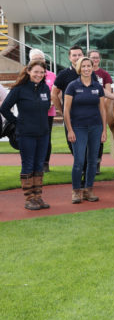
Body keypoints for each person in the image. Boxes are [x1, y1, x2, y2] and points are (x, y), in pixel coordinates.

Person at [1, 60, 51, 210]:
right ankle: (29, 199)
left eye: (42, 72)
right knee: (28, 164)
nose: (39, 75)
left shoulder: (45, 89)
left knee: (39, 165)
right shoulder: (19, 89)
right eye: (36, 72)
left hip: (43, 133)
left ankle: (38, 197)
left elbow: (46, 108)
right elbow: (4, 108)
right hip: (26, 134)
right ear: (29, 71)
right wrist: (17, 122)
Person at [63, 56, 107, 204]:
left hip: (96, 127)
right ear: (79, 68)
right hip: (78, 128)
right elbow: (66, 110)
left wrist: (104, 130)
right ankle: (76, 191)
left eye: (89, 66)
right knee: (79, 161)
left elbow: (102, 109)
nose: (87, 69)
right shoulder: (72, 86)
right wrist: (70, 130)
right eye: (84, 66)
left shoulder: (97, 87)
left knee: (93, 161)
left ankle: (89, 190)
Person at [28, 49, 56, 173]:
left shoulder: (52, 75)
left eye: (41, 58)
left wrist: (50, 104)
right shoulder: (26, 75)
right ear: (30, 61)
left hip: (48, 113)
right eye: (36, 59)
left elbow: (55, 94)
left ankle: (45, 163)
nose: (39, 61)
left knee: (46, 138)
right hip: (31, 113)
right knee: (31, 137)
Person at [88, 50, 114, 175]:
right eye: (92, 57)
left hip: (100, 109)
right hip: (86, 108)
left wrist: (101, 105)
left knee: (99, 137)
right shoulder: (83, 72)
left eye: (97, 58)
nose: (95, 60)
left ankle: (97, 163)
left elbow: (107, 91)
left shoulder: (104, 74)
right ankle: (87, 163)